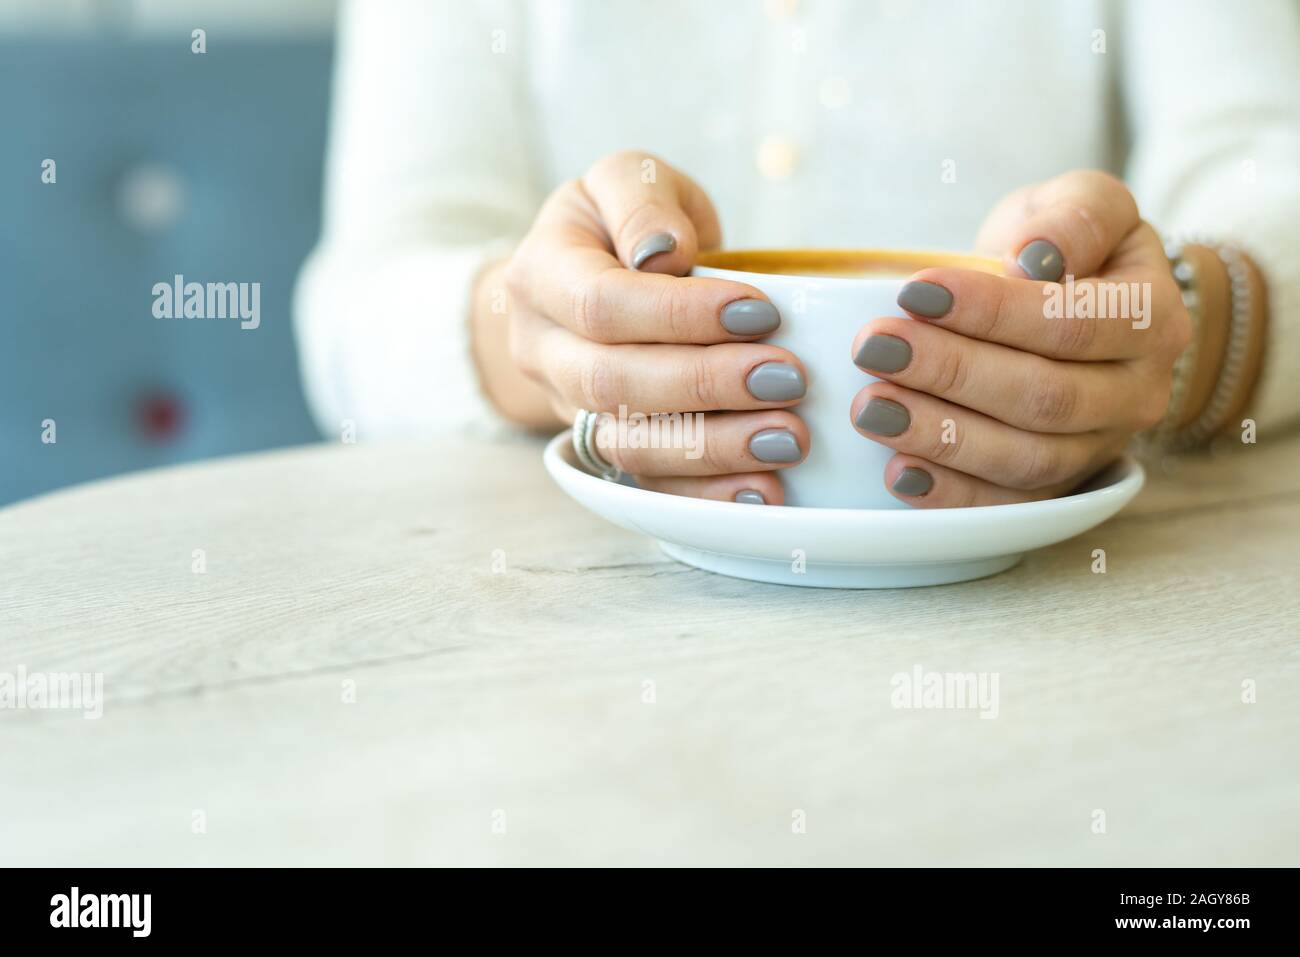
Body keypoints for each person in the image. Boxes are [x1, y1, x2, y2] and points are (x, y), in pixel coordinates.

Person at [295, 0, 1299, 507]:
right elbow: (361, 300)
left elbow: (1268, 168)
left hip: (1091, 617)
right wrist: (549, 335)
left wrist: (1185, 331)